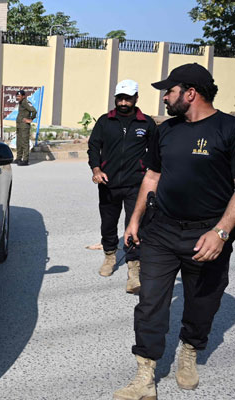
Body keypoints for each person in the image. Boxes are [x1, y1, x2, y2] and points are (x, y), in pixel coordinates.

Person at [114, 63, 235, 400]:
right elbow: (152, 176)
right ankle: (145, 375)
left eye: (170, 91)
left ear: (190, 93)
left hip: (207, 237)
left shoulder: (229, 129)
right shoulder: (165, 130)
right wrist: (135, 219)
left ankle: (189, 351)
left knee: (201, 302)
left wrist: (221, 232)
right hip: (161, 231)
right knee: (150, 302)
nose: (165, 97)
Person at [87, 79, 156, 293]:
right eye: (120, 98)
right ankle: (109, 256)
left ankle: (134, 267)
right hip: (108, 184)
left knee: (135, 225)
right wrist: (96, 170)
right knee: (108, 223)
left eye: (128, 98)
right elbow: (93, 147)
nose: (124, 102)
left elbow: (156, 152)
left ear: (136, 98)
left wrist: (149, 173)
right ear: (115, 98)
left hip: (136, 185)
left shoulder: (146, 123)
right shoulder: (104, 121)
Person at [15, 90, 36, 166]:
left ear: (23, 96)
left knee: (24, 143)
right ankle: (18, 158)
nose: (17, 98)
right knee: (19, 142)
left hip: (24, 127)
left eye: (19, 96)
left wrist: (30, 119)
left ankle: (25, 160)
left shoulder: (26, 102)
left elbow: (34, 111)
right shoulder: (21, 102)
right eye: (17, 96)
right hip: (20, 126)